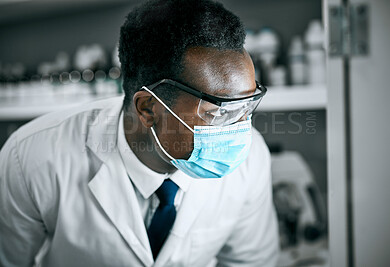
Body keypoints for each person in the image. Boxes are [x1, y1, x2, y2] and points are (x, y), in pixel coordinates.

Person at [0, 0, 279, 266]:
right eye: (216, 111)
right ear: (148, 108)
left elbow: (250, 262)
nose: (240, 127)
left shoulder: (252, 156)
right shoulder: (30, 159)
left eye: (248, 104)